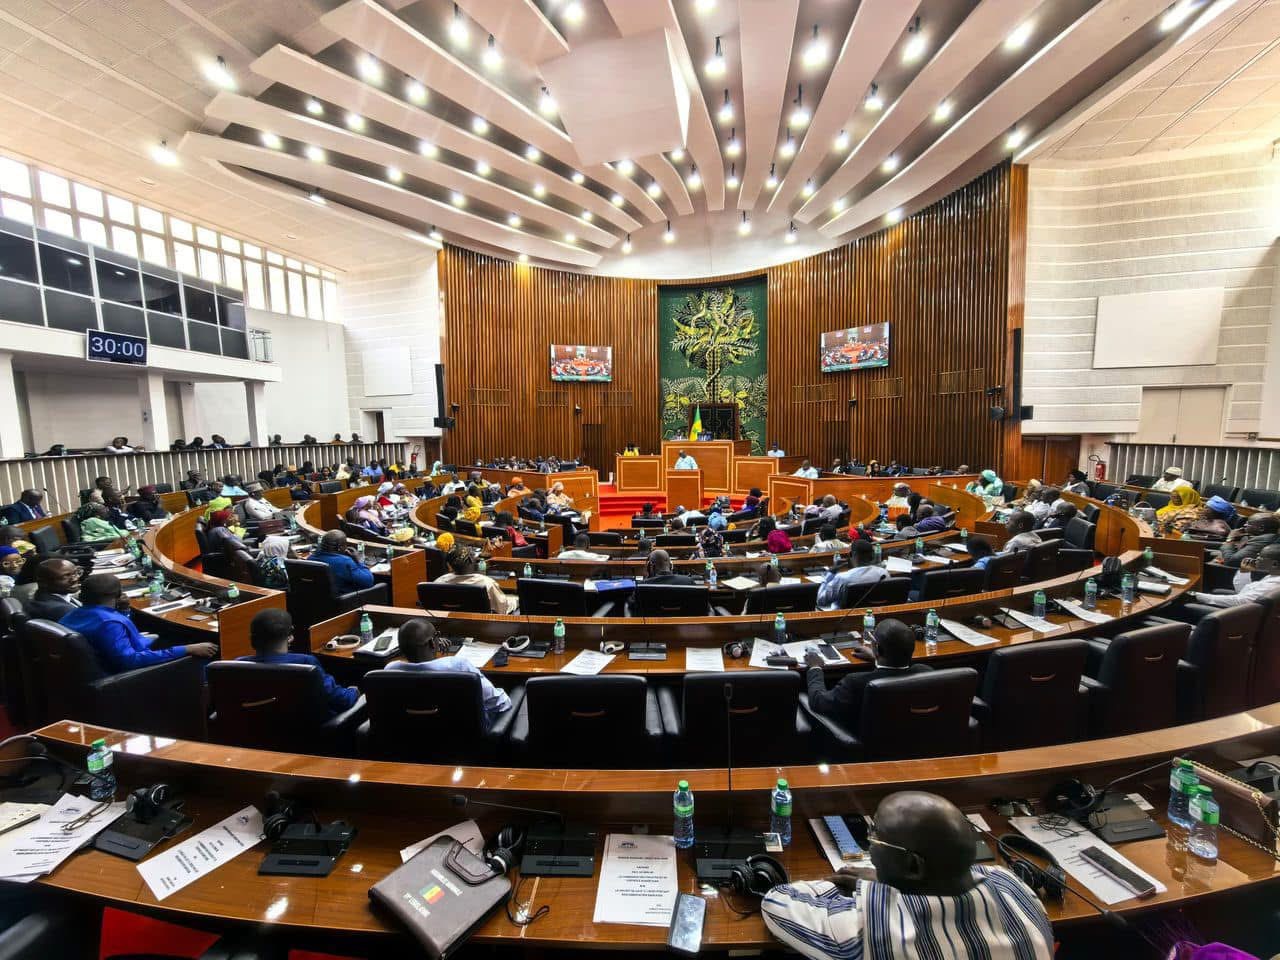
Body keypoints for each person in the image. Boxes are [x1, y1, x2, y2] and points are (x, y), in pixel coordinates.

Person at [761, 790, 1053, 960]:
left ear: (913, 867)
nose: (870, 844)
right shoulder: (1014, 887)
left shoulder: (866, 932)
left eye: (875, 837)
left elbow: (777, 901)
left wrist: (874, 887)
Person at [61, 574, 216, 672]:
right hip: (130, 674)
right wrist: (187, 649)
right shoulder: (109, 624)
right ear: (118, 594)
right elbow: (129, 661)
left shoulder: (73, 614)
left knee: (174, 636)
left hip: (115, 657)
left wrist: (124, 609)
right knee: (206, 649)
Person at [387, 619, 513, 728]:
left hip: (407, 742)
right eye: (436, 636)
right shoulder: (458, 666)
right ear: (431, 643)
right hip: (462, 742)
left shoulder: (389, 671)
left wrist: (433, 642)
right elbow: (501, 703)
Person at [237, 609, 357, 718]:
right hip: (309, 735)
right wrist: (354, 691)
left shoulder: (237, 665)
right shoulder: (305, 663)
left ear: (252, 640)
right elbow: (341, 701)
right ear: (290, 638)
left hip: (254, 734)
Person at [803, 617, 931, 716]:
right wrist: (877, 657)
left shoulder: (855, 682)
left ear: (875, 646)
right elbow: (900, 664)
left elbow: (818, 702)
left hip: (862, 743)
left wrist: (815, 668)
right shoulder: (925, 673)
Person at [1191, 545, 1280, 607]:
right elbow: (1242, 591)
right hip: (1244, 610)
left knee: (1184, 604)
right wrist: (1244, 572)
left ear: (1274, 564)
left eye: (1260, 556)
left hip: (1240, 616)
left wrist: (1196, 595)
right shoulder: (1273, 576)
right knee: (1215, 592)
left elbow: (1239, 601)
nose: (1256, 558)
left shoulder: (1273, 585)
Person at [436, 545, 516, 613]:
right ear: (471, 560)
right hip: (481, 627)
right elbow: (502, 609)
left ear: (450, 565)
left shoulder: (439, 582)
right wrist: (515, 601)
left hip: (449, 625)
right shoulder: (487, 583)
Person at [816, 539, 890, 608]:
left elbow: (821, 601)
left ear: (851, 554)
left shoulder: (842, 578)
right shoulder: (883, 573)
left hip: (845, 618)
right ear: (873, 555)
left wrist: (830, 573)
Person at [311, 531, 376, 593]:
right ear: (340, 547)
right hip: (345, 600)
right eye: (345, 544)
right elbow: (368, 581)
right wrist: (358, 561)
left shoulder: (311, 558)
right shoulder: (344, 562)